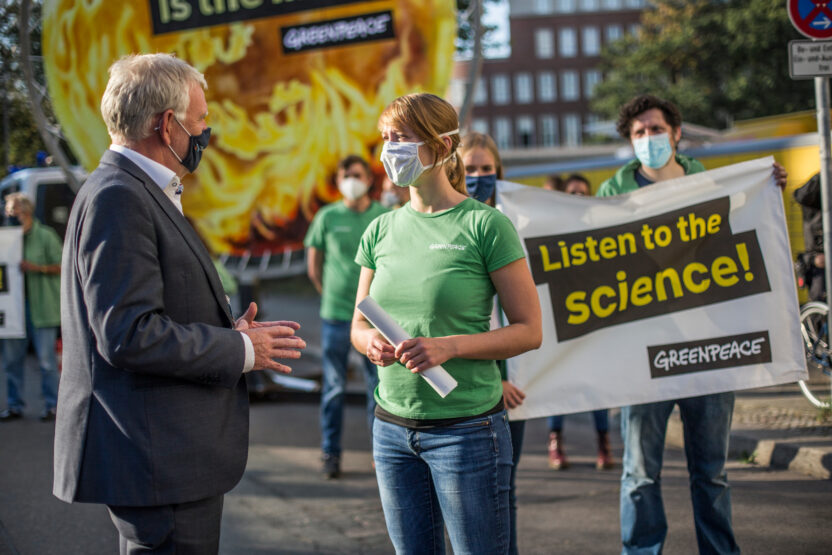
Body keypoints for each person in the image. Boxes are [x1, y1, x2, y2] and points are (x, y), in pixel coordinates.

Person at [53, 53, 307, 554]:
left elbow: (147, 312)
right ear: (166, 124)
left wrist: (226, 333)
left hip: (160, 460)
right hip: (158, 460)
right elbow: (128, 334)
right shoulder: (120, 197)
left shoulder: (130, 189)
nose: (207, 131)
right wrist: (242, 351)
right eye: (201, 120)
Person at [351, 93, 542, 554]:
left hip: (467, 432)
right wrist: (369, 342)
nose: (388, 150)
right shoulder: (380, 229)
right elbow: (358, 323)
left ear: (439, 146)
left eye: (400, 139)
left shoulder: (485, 225)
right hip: (391, 429)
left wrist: (448, 347)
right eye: (385, 139)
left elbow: (529, 330)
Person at [597, 94, 786, 554]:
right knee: (639, 474)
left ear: (677, 134)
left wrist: (767, 184)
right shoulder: (612, 193)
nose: (648, 139)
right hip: (643, 356)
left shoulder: (711, 183)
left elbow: (745, 226)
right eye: (639, 133)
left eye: (656, 129)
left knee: (713, 474)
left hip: (708, 350)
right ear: (630, 140)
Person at [459, 131, 527, 555]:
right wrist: (494, 376)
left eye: (487, 169)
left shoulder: (513, 222)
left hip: (517, 382)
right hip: (482, 384)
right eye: (470, 170)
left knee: (504, 492)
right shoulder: (456, 225)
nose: (480, 177)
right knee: (469, 498)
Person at [305, 154, 387, 479]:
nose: (350, 180)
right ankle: (330, 453)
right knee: (334, 388)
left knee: (377, 388)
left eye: (356, 174)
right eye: (345, 176)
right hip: (336, 316)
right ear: (338, 182)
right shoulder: (326, 217)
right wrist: (329, 294)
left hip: (376, 318)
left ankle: (381, 454)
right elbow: (314, 265)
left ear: (369, 180)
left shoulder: (384, 216)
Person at [545, 172, 615, 471]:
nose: (578, 197)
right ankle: (555, 442)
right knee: (558, 387)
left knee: (597, 387)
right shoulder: (551, 230)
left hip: (593, 322)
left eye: (584, 192)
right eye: (572, 192)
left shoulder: (597, 230)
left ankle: (603, 443)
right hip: (561, 323)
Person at [0, 193, 62, 422]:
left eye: (11, 210)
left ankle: (53, 406)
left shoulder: (45, 236)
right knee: (12, 361)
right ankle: (15, 405)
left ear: (25, 212)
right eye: (7, 211)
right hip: (13, 311)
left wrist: (37, 268)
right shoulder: (5, 239)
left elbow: (62, 265)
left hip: (42, 308)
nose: (8, 215)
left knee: (46, 361)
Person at [793, 173, 825, 302]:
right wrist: (825, 173)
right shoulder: (818, 184)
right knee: (819, 299)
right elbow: (800, 196)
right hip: (818, 260)